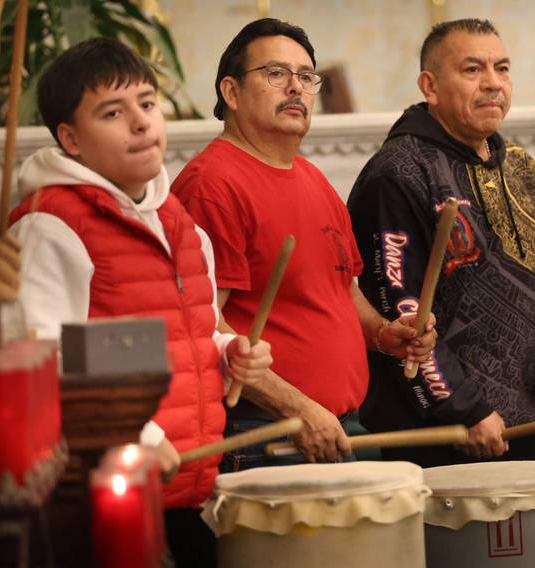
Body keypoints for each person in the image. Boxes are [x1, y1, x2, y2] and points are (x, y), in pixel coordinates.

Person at [9, 38, 272, 566]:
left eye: (147, 104)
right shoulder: (50, 226)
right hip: (100, 497)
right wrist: (138, 436)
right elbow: (39, 359)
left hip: (188, 489)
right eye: (113, 111)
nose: (140, 122)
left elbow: (189, 334)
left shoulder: (183, 227)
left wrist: (226, 354)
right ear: (71, 138)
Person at [171, 18, 436, 468]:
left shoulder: (313, 179)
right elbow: (203, 326)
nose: (296, 88)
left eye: (306, 76)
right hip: (265, 431)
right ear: (231, 93)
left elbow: (344, 293)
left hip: (329, 425)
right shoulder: (211, 185)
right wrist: (297, 409)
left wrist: (386, 333)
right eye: (276, 74)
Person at [347, 18, 535, 468]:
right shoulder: (398, 174)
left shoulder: (524, 171)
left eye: (502, 69)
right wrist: (465, 409)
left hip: (525, 413)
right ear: (430, 85)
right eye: (472, 70)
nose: (492, 83)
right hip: (437, 427)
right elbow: (401, 311)